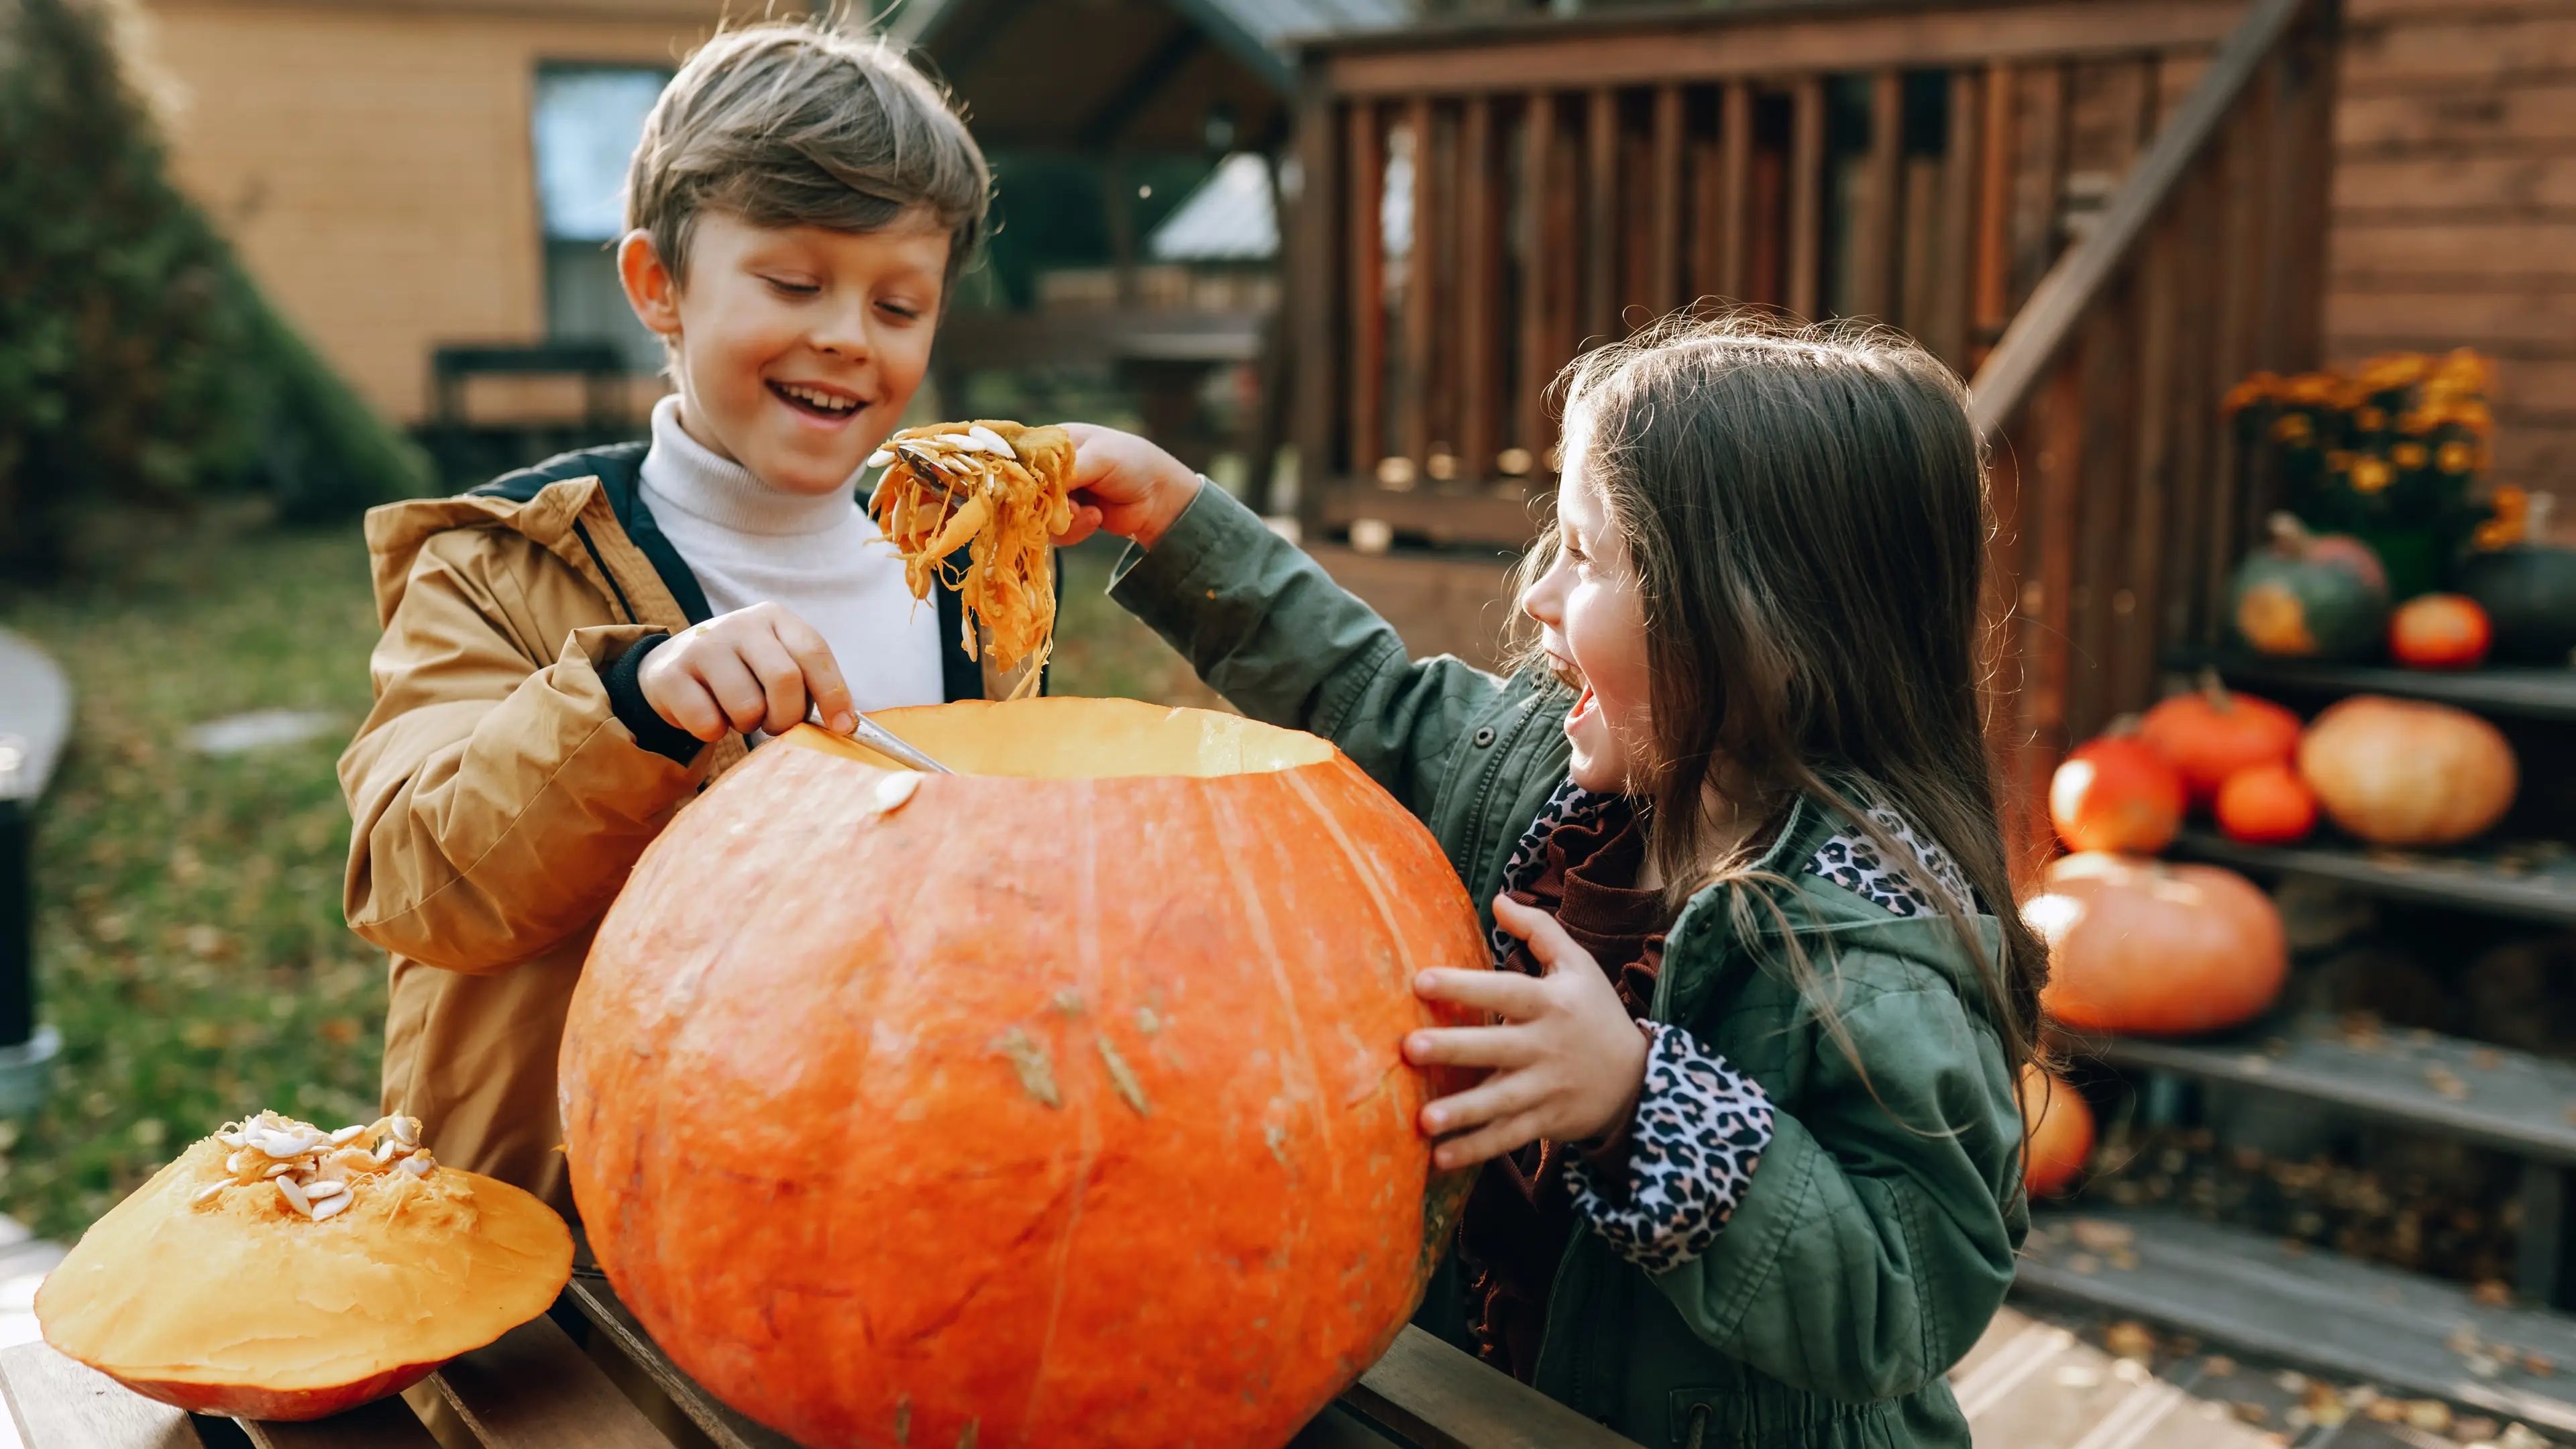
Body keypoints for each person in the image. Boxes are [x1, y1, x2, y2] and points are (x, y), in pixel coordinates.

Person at [1059, 314, 2043, 1448]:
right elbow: (1365, 694)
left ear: (1751, 620)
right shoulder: (1551, 782)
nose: (1536, 596)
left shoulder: (1876, 949)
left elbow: (1906, 1301)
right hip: (1488, 1398)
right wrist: (1184, 522)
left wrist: (1638, 1101)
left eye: (1587, 556)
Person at [339, 21, 989, 1211]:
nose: (847, 335)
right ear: (659, 286)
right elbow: (413, 876)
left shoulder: (963, 577)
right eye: (794, 283)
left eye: (901, 306)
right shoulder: (496, 564)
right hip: (562, 1246)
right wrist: (633, 705)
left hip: (865, 1215)